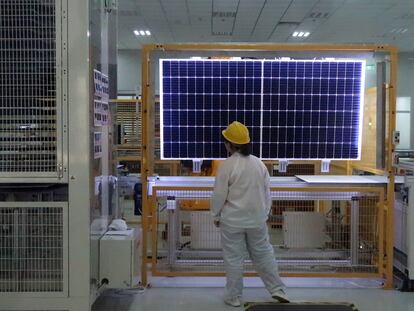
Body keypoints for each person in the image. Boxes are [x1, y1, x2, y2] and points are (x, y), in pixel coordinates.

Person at [211, 121, 289, 307]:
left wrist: (215, 215)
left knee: (234, 259)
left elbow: (219, 194)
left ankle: (234, 297)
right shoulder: (259, 164)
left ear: (230, 144)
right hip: (257, 221)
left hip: (232, 222)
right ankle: (277, 289)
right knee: (264, 255)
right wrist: (265, 214)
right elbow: (267, 193)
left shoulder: (226, 166)